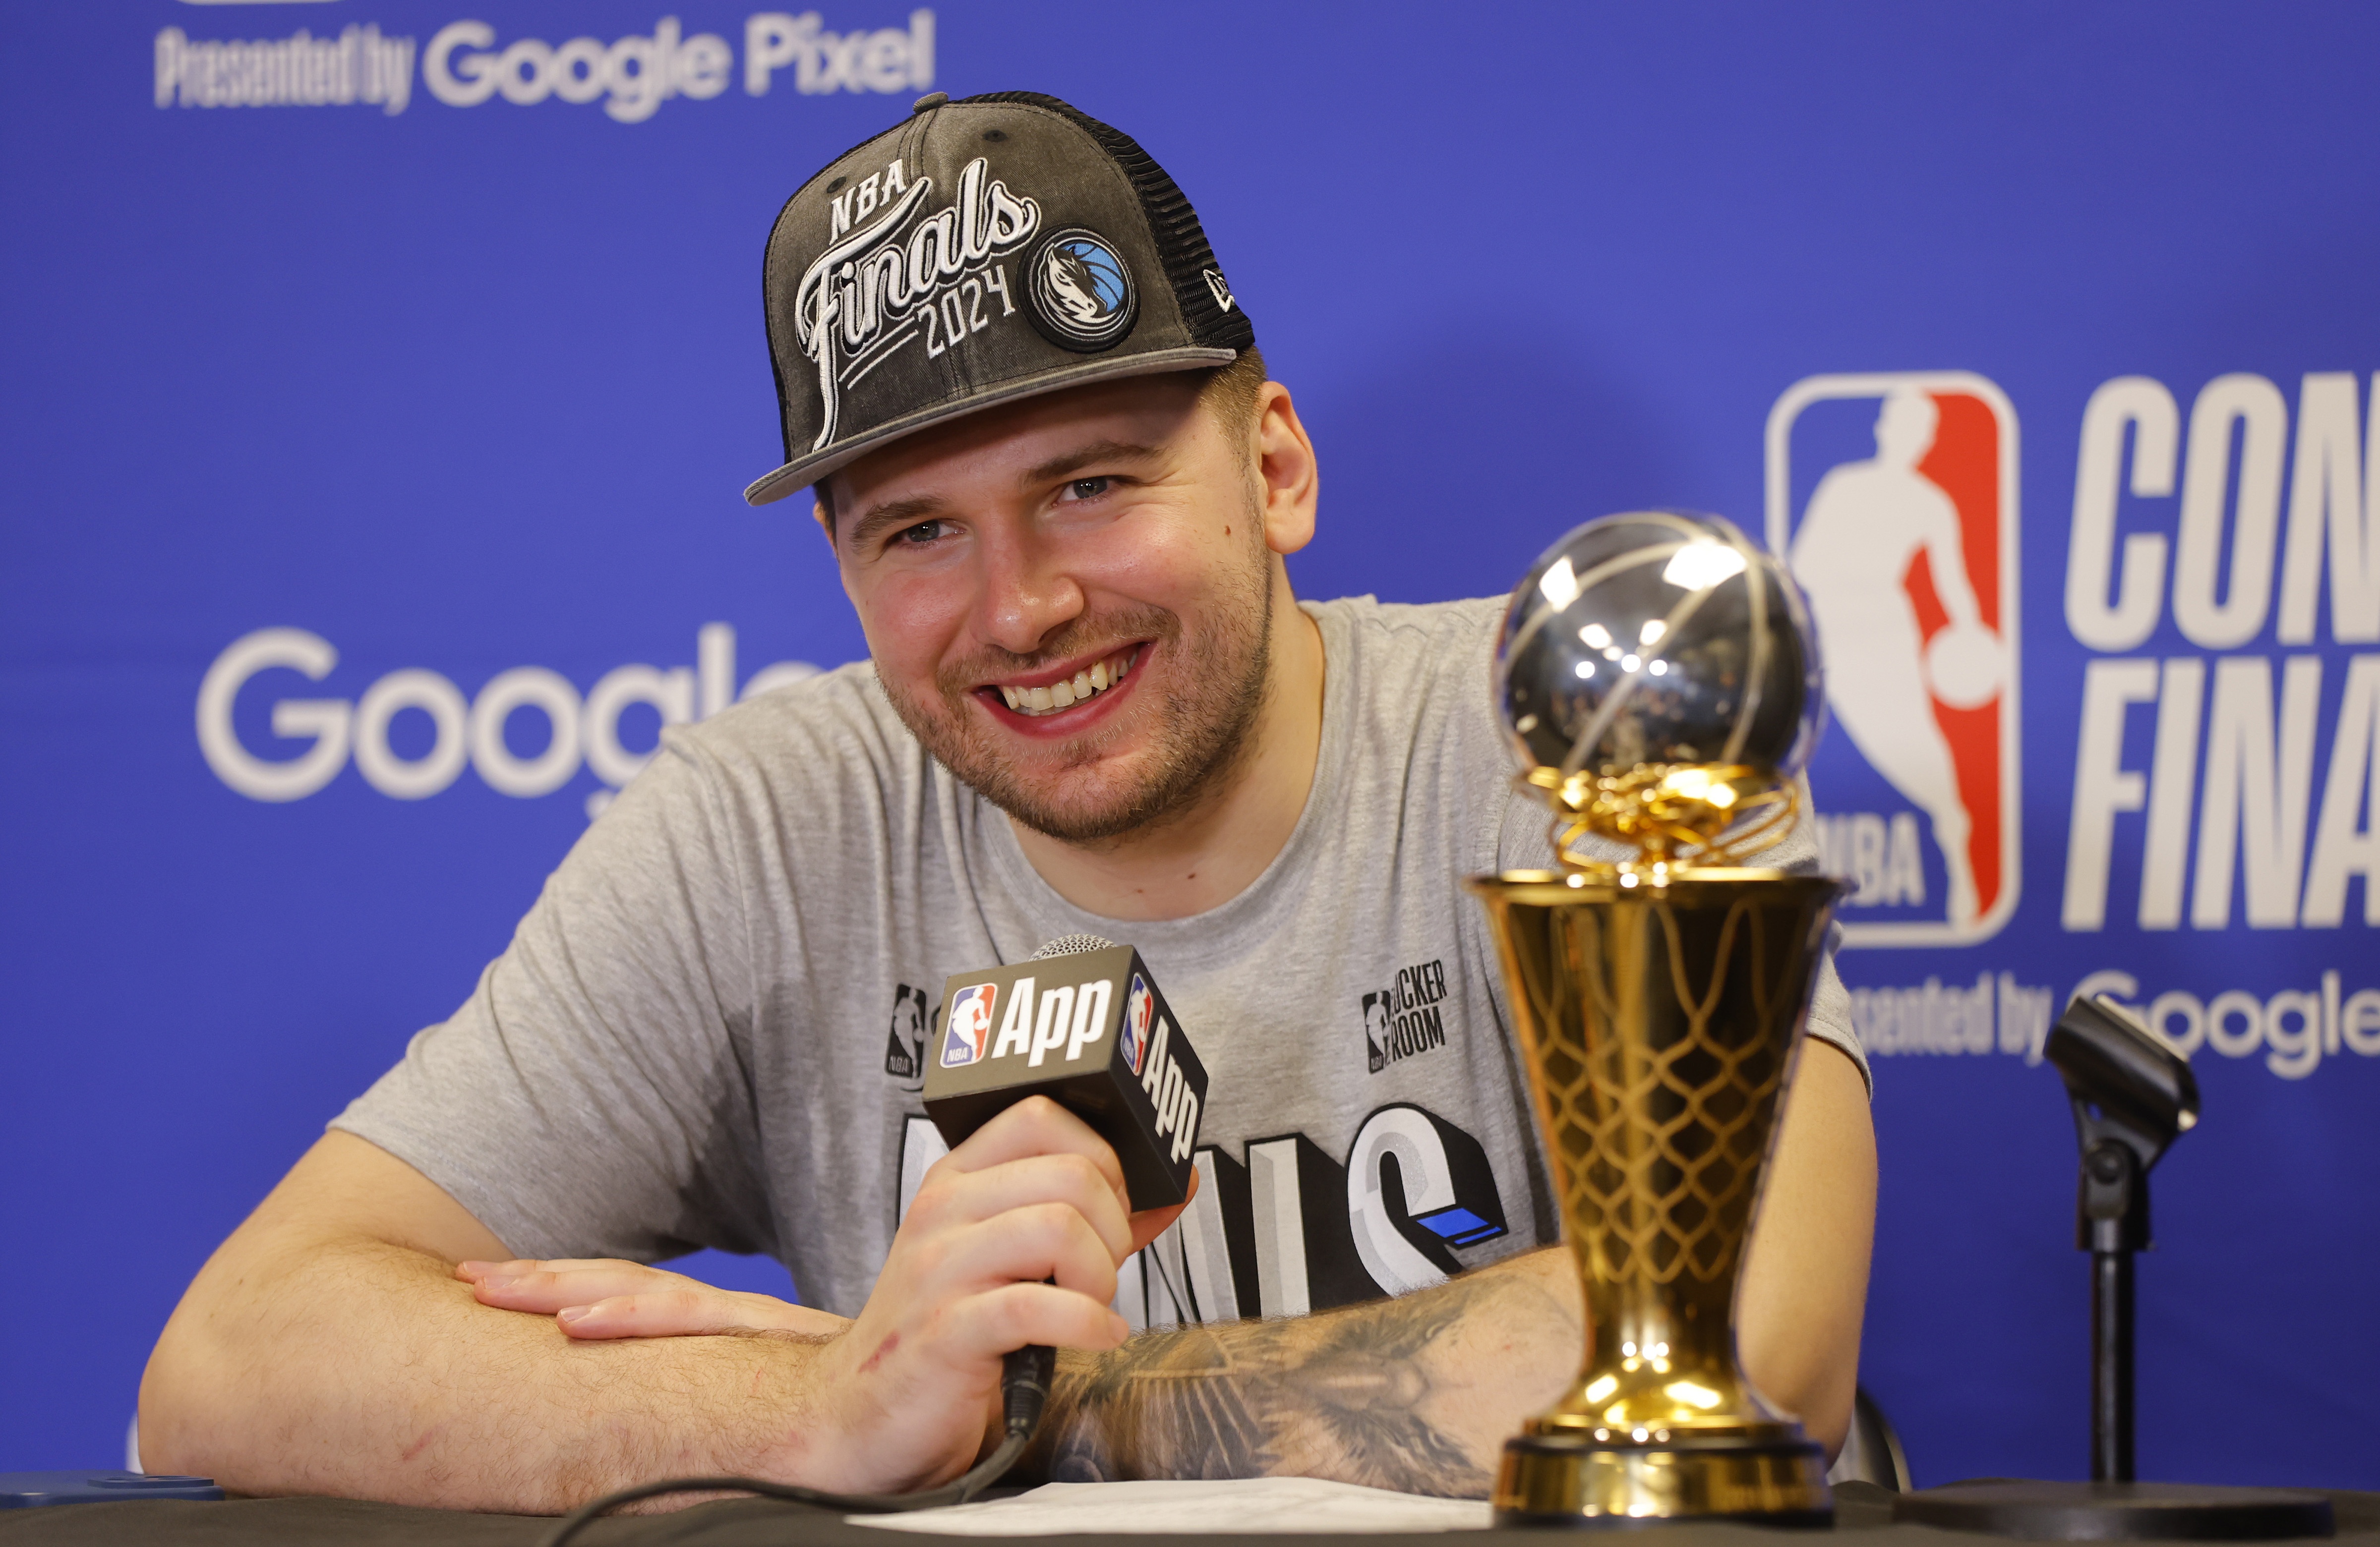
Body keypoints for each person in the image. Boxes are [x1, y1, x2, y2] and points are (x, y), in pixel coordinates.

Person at [139, 91, 1875, 1513]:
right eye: (919, 530)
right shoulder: (769, 824)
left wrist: (1025, 1402)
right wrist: (820, 1404)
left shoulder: (1573, 738)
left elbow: (1742, 1343)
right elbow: (234, 1357)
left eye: (1091, 483)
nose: (1023, 605)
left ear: (1273, 464)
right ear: (842, 571)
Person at [1790, 388, 2005, 925]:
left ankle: (1957, 848)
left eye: (1916, 429)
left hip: (1885, 632)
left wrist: (1970, 630)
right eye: (1895, 423)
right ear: (1882, 429)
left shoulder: (1932, 504)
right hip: (1822, 631)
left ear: (1926, 440)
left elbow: (1953, 582)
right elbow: (1801, 565)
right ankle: (1789, 895)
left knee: (1920, 746)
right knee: (1792, 757)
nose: (1903, 436)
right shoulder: (1844, 484)